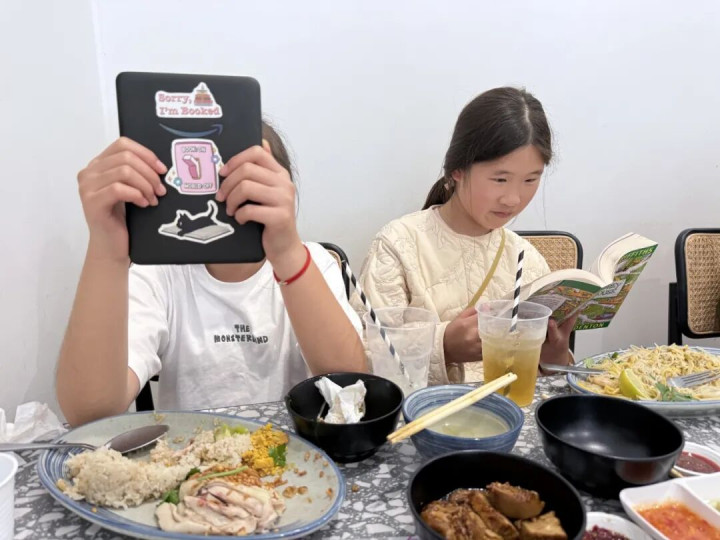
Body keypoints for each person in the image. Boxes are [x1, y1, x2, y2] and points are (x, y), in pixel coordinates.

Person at [57, 122, 366, 426]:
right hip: (191, 451)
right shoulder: (159, 274)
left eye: (250, 185)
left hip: (295, 450)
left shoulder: (313, 264)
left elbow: (351, 389)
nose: (224, 199)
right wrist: (106, 248)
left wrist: (287, 252)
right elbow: (90, 413)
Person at [355, 87, 576, 385]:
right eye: (500, 179)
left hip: (513, 412)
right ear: (458, 170)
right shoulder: (398, 244)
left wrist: (555, 358)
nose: (513, 198)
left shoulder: (528, 259)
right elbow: (360, 358)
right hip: (424, 411)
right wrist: (443, 346)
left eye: (530, 180)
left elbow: (547, 383)